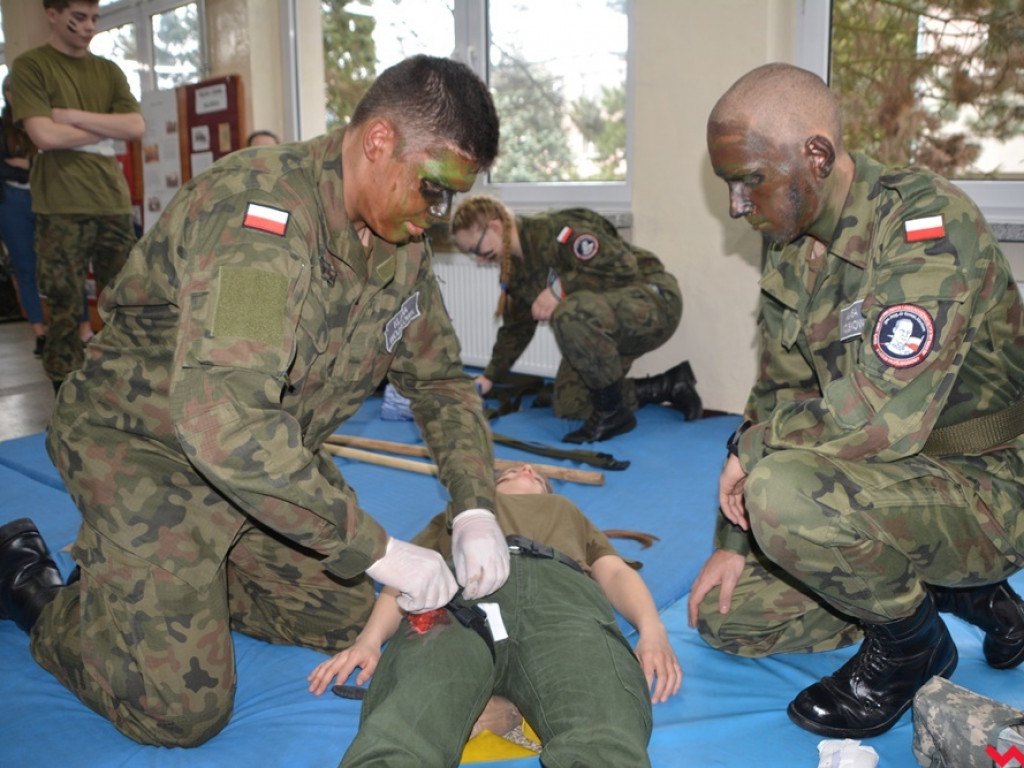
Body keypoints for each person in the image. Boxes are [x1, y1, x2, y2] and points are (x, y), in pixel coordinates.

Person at [0, 54, 505, 748]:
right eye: (433, 189)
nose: (436, 216)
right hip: (147, 451)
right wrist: (375, 546)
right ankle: (38, 589)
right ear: (379, 140)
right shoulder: (262, 219)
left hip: (265, 468)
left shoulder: (400, 244)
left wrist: (475, 506)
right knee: (180, 711)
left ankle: (158, 585)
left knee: (351, 617)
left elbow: (441, 380)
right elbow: (225, 422)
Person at [688, 62, 1024, 740]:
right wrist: (733, 539)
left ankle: (912, 645)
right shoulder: (792, 245)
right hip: (882, 482)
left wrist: (752, 450)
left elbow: (881, 417)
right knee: (729, 619)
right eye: (728, 184)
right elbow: (779, 390)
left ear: (815, 155)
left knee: (781, 489)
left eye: (748, 179)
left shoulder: (926, 225)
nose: (736, 206)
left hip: (982, 485)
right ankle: (944, 588)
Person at [308, 463, 681, 767]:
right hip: (459, 596)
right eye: (508, 472)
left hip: (559, 596)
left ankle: (504, 707)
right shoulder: (461, 512)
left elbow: (614, 573)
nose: (524, 468)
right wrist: (369, 641)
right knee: (409, 715)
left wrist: (653, 629)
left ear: (545, 489)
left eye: (535, 474)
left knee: (604, 729)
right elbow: (406, 577)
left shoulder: (565, 510)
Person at [451, 195, 702, 443]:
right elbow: (517, 329)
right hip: (608, 321)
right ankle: (668, 385)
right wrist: (488, 378)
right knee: (571, 404)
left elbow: (623, 266)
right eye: (471, 254)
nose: (479, 259)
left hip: (653, 300)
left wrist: (559, 290)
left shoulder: (555, 231)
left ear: (495, 227)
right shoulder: (515, 271)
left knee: (569, 312)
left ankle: (612, 414)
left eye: (476, 249)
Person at [9, 0, 144, 391]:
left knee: (124, 303)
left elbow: (135, 127)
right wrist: (106, 127)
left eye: (95, 18)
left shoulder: (109, 70)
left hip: (112, 201)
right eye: (79, 18)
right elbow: (44, 135)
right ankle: (65, 403)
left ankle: (125, 394)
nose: (89, 27)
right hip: (60, 205)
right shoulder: (32, 65)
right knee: (65, 308)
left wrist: (69, 116)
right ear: (52, 14)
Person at [0, 75, 94, 359]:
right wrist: (27, 166)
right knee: (26, 269)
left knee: (68, 261)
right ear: (5, 94)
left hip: (51, 198)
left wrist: (25, 164)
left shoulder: (46, 120)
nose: (16, 94)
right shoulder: (3, 126)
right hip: (13, 202)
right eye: (10, 90)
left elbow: (56, 159)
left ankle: (85, 329)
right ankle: (40, 334)